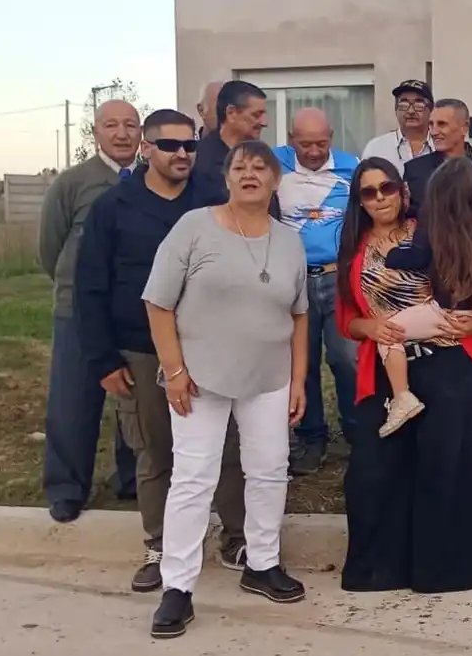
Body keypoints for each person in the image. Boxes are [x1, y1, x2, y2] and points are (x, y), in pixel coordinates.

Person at [74, 109, 248, 593]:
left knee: (229, 446)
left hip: (213, 346)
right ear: (146, 149)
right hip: (140, 349)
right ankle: (160, 545)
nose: (181, 154)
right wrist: (104, 360)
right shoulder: (114, 207)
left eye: (189, 146)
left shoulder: (215, 200)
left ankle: (237, 539)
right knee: (156, 451)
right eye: (169, 145)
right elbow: (88, 287)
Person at [141, 140, 310, 639]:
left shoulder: (289, 240)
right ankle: (177, 587)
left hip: (269, 376)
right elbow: (157, 303)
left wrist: (299, 379)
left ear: (276, 181)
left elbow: (299, 314)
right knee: (193, 477)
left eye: (261, 167)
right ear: (228, 177)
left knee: (269, 470)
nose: (251, 174)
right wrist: (173, 370)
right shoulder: (194, 227)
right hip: (200, 376)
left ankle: (262, 563)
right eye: (241, 166)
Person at [337, 157, 472, 595]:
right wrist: (368, 327)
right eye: (368, 193)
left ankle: (444, 573)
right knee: (375, 467)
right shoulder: (354, 246)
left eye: (386, 187)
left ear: (402, 191)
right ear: (360, 201)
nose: (379, 198)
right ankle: (380, 571)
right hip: (388, 369)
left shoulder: (433, 229)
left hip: (447, 364)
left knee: (443, 467)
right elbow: (345, 317)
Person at [38, 99, 141, 522]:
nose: (122, 133)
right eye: (111, 125)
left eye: (130, 125)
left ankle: (133, 478)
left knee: (135, 401)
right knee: (74, 401)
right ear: (95, 132)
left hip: (131, 313)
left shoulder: (149, 180)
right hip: (79, 311)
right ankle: (66, 488)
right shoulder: (73, 183)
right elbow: (50, 249)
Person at [403, 98, 472, 458]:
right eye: (432, 124)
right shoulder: (414, 171)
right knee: (432, 351)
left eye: (443, 124)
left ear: (464, 128)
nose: (434, 130)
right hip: (425, 278)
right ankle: (436, 420)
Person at [275, 108, 362, 476]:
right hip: (291, 280)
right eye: (305, 144)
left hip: (337, 278)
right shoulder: (272, 163)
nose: (313, 151)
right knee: (301, 363)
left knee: (347, 359)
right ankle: (312, 439)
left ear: (332, 138)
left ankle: (359, 434)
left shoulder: (352, 167)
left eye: (321, 143)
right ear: (291, 139)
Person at [191, 80, 269, 204]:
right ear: (231, 113)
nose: (265, 122)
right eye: (256, 115)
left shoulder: (262, 156)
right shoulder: (200, 161)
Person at [362, 79, 436, 169]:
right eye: (404, 105)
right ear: (396, 109)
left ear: (431, 110)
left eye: (418, 105)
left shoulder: (441, 145)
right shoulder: (376, 148)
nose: (411, 111)